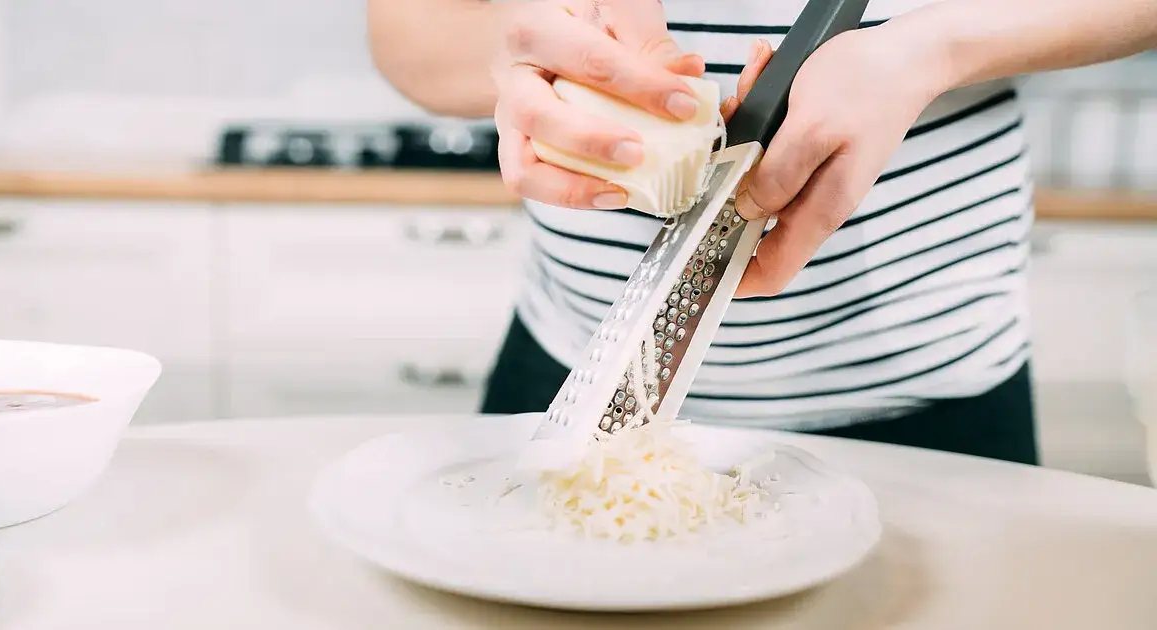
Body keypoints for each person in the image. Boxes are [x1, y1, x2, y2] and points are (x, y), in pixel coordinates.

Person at [368, 0, 1157, 464]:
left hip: (932, 388)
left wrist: (933, 47)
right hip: (578, 369)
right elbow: (408, 30)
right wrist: (522, 45)